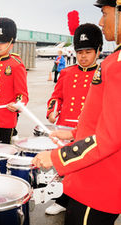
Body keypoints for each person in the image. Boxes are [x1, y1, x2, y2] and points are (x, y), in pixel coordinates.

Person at [32, 0, 121, 224]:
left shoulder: (118, 65)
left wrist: (55, 157)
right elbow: (104, 120)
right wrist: (73, 133)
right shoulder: (112, 62)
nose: (101, 21)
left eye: (105, 13)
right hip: (94, 172)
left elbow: (109, 138)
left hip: (98, 183)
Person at [45, 23, 103, 215]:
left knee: (82, 169)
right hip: (64, 126)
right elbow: (56, 97)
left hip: (86, 131)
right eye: (80, 52)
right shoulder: (67, 72)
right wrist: (52, 111)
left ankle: (79, 200)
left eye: (88, 51)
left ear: (98, 51)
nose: (83, 56)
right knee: (64, 169)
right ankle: (61, 201)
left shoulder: (103, 75)